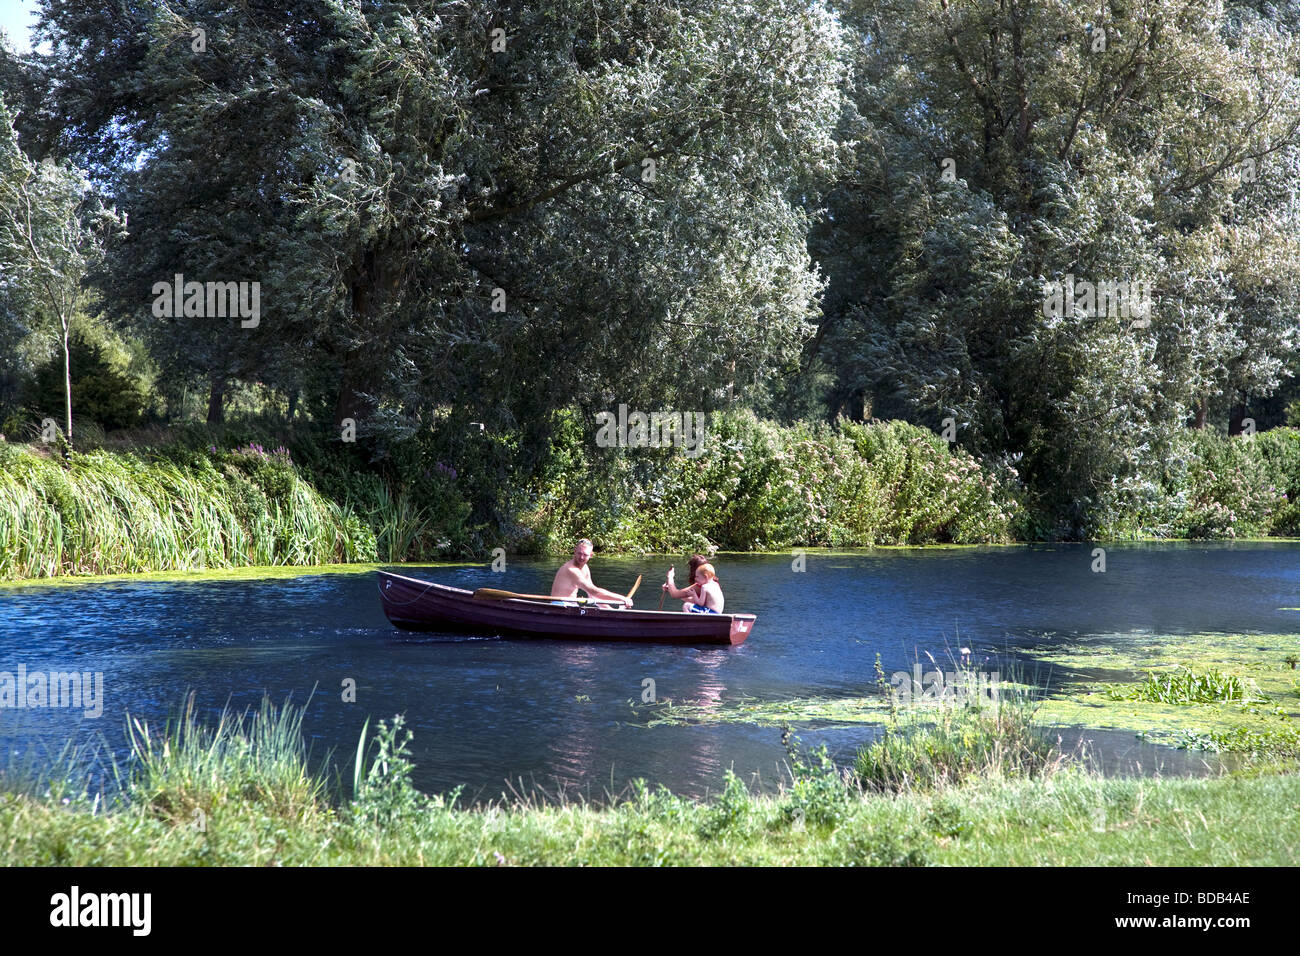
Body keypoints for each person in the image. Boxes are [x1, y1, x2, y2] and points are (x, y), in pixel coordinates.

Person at [551, 538, 632, 607]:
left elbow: (592, 595)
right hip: (559, 606)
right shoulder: (571, 569)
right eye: (579, 553)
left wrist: (611, 610)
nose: (581, 557)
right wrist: (622, 598)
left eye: (585, 555)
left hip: (571, 606)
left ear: (591, 555)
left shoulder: (585, 568)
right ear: (575, 551)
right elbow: (594, 591)